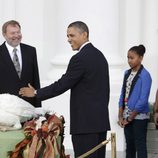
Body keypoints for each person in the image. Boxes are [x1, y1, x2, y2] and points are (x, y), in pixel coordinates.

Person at [19, 21, 110, 158]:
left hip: (85, 125)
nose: (68, 40)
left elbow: (62, 84)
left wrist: (36, 93)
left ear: (84, 34)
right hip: (99, 123)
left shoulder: (79, 58)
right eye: (67, 36)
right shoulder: (100, 55)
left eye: (72, 35)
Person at [118, 45, 152, 158]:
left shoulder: (145, 76)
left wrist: (130, 118)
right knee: (130, 146)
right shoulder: (127, 73)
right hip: (127, 116)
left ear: (141, 58)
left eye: (132, 58)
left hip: (139, 117)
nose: (129, 61)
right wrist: (120, 115)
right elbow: (123, 94)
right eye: (128, 57)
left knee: (140, 145)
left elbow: (143, 100)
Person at [0, 20, 41, 107]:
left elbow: (36, 80)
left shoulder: (31, 51)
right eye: (12, 33)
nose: (16, 35)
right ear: (4, 35)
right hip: (6, 108)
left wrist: (38, 108)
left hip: (29, 105)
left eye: (18, 32)